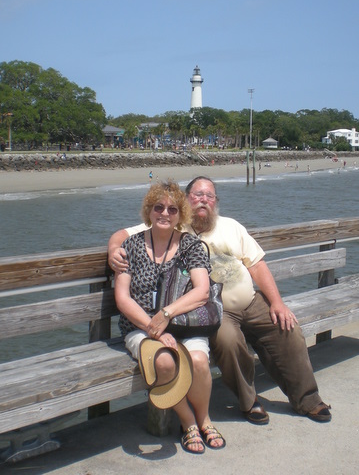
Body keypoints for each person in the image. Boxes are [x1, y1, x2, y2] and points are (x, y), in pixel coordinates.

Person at [109, 176, 331, 425]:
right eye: (197, 195)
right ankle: (249, 402)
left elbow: (257, 266)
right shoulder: (172, 224)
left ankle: (308, 399)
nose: (203, 200)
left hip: (250, 302)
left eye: (209, 196)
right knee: (228, 341)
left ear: (215, 202)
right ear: (186, 199)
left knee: (287, 329)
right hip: (214, 310)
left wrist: (277, 302)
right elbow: (124, 236)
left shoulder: (231, 227)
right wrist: (113, 251)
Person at [114, 180, 226, 454]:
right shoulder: (132, 246)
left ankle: (205, 419)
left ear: (181, 214)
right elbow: (123, 298)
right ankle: (188, 422)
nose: (165, 213)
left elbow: (201, 291)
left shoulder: (191, 245)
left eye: (172, 209)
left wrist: (166, 314)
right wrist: (152, 327)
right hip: (140, 326)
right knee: (164, 363)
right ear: (149, 211)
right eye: (159, 207)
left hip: (183, 323)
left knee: (199, 361)